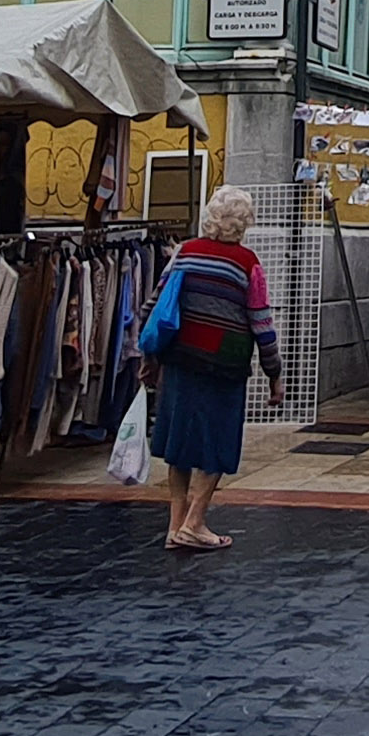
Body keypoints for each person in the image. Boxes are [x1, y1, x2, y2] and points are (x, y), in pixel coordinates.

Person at [137, 187, 285, 552]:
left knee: (179, 443)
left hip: (181, 358)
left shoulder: (184, 253)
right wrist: (274, 373)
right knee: (218, 442)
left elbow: (155, 306)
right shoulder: (247, 264)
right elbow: (261, 323)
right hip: (225, 364)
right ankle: (195, 522)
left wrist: (149, 357)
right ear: (244, 224)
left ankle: (176, 526)